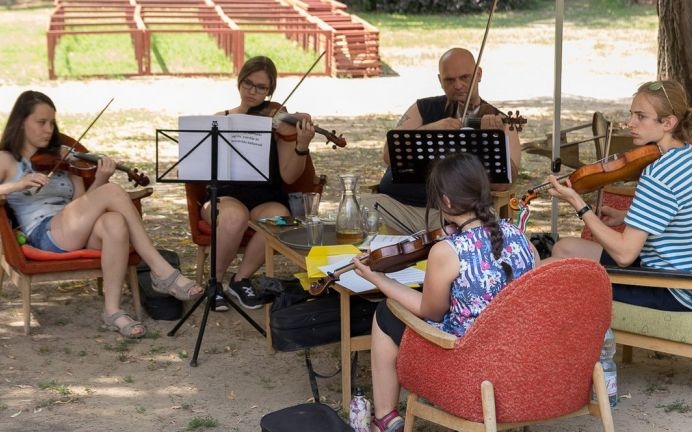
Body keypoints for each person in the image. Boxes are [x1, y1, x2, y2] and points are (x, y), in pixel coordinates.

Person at [352, 153, 537, 432]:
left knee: (386, 313)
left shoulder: (448, 251)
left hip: (468, 363)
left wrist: (380, 280)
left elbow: (431, 311)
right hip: (516, 357)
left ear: (447, 202)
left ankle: (386, 418)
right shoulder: (519, 235)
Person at [0, 90, 204, 338]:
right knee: (112, 192)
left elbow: (81, 204)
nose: (48, 129)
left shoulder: (64, 157)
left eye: (52, 123)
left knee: (114, 222)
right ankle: (161, 271)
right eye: (41, 122)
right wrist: (17, 185)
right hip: (45, 233)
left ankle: (113, 310)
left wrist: (100, 178)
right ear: (21, 122)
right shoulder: (7, 160)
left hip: (72, 227)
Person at [544, 79, 692, 311]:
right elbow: (680, 212)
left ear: (668, 123)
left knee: (552, 271)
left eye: (641, 117)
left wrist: (577, 202)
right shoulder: (685, 155)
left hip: (670, 288)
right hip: (679, 274)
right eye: (631, 114)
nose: (630, 123)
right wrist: (625, 216)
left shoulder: (658, 174)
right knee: (565, 248)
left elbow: (624, 254)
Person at [359, 47, 522, 234]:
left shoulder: (499, 120)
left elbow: (504, 184)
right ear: (440, 81)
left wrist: (491, 143)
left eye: (465, 77)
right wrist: (430, 129)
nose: (458, 85)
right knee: (360, 206)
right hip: (399, 209)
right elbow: (388, 155)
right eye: (450, 80)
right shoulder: (423, 108)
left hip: (453, 217)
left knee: (479, 222)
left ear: (478, 74)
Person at [208, 56, 316, 311]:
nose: (253, 92)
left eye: (261, 88)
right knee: (234, 216)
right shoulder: (220, 119)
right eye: (248, 84)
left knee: (281, 218)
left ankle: (241, 279)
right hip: (225, 194)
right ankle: (214, 283)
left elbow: (289, 176)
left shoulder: (278, 124)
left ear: (270, 91)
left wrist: (301, 145)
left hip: (265, 196)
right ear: (239, 81)